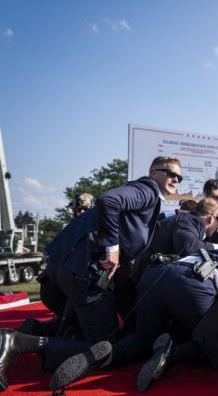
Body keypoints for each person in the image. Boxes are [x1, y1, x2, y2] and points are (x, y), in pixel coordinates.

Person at [48, 247, 218, 392]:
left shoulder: (217, 249)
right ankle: (172, 353)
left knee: (142, 339)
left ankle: (102, 354)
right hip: (192, 285)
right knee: (214, 339)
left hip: (157, 276)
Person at [43, 156, 181, 369]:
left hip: (68, 266)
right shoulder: (148, 189)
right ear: (154, 173)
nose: (175, 179)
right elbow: (108, 200)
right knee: (105, 349)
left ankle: (31, 332)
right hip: (84, 271)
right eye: (170, 173)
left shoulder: (148, 196)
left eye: (179, 177)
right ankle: (20, 343)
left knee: (84, 328)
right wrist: (112, 249)